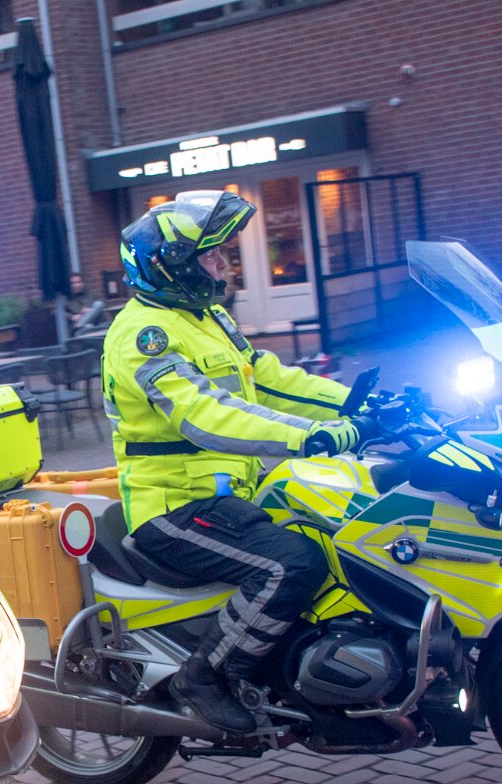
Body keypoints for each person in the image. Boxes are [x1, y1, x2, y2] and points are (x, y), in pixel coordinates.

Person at [102, 190, 366, 734]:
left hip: (229, 498)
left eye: (222, 252)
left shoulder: (206, 317)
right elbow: (206, 415)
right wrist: (309, 437)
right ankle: (204, 677)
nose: (224, 264)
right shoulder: (142, 335)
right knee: (291, 564)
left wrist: (357, 404)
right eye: (211, 255)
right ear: (171, 266)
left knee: (340, 532)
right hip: (173, 508)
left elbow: (267, 380)